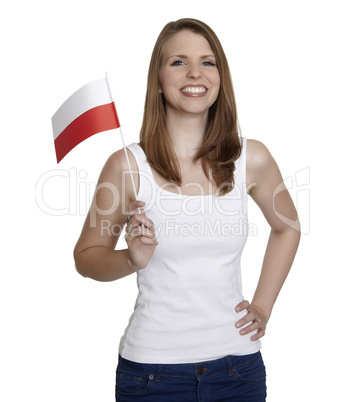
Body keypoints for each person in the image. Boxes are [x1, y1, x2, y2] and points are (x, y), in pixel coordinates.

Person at [74, 18, 300, 402]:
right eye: (178, 62)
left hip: (238, 372)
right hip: (151, 377)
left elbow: (288, 227)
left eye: (207, 62)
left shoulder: (253, 158)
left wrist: (262, 306)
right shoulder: (126, 166)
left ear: (220, 76)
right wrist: (132, 258)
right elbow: (86, 258)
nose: (195, 73)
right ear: (158, 79)